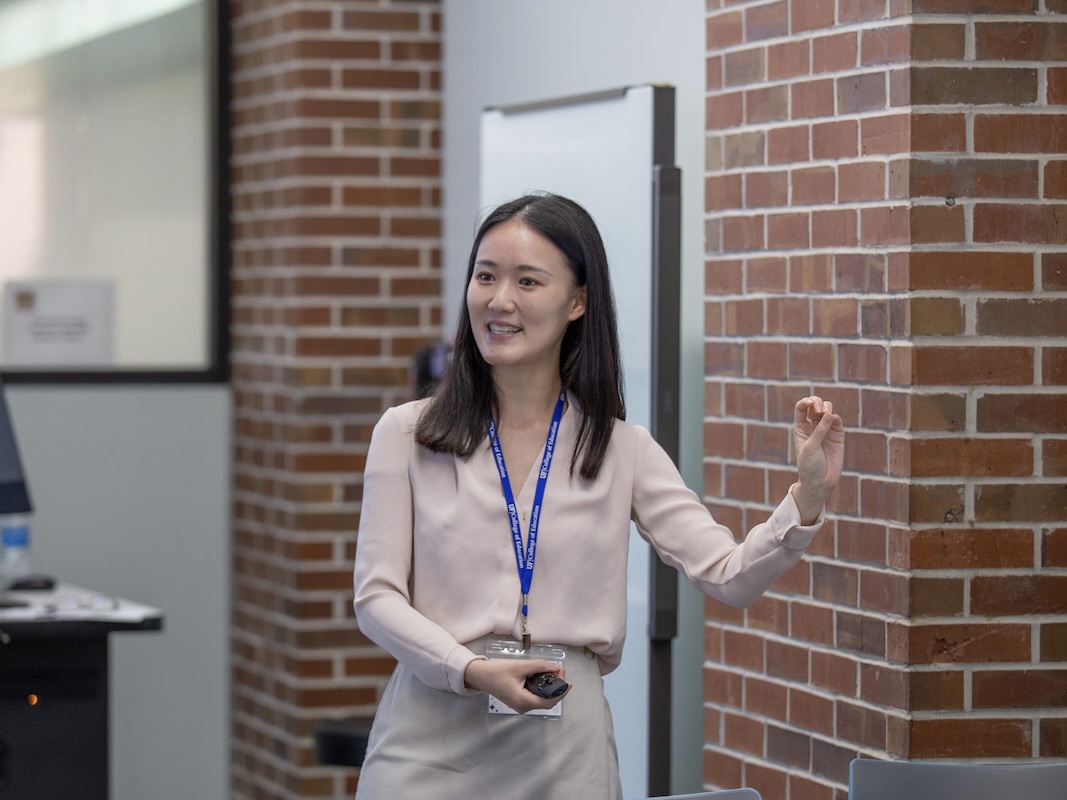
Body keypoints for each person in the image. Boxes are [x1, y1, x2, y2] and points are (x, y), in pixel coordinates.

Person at [352, 192, 845, 799]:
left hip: (563, 753)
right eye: (486, 276)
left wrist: (809, 494)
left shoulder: (621, 448)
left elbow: (728, 575)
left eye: (528, 281)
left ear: (578, 301)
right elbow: (376, 598)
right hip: (427, 745)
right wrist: (472, 669)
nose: (499, 300)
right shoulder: (405, 434)